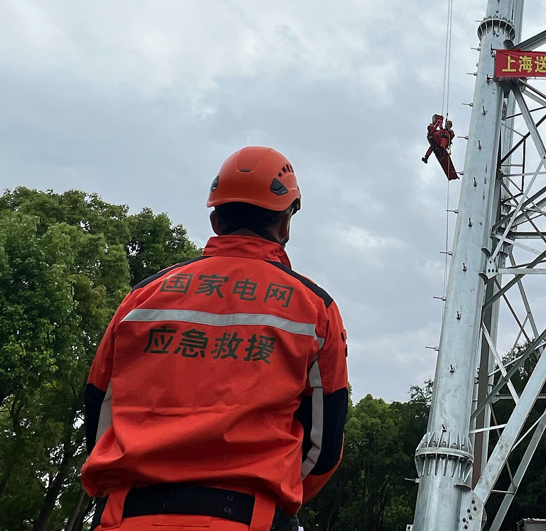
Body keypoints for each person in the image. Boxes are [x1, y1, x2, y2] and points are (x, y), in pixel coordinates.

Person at [82, 146, 349, 531]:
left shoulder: (144, 296)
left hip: (126, 516)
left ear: (215, 219)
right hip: (248, 519)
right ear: (286, 222)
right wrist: (276, 490)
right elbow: (324, 444)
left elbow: (99, 407)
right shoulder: (315, 309)